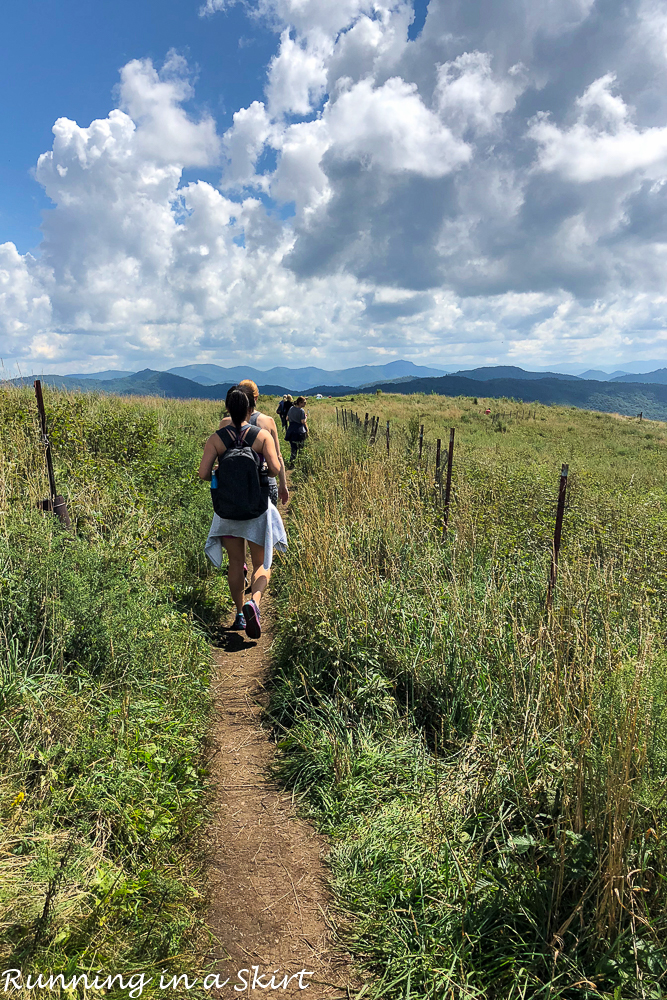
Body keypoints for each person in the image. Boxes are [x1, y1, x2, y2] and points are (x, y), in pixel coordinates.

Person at [199, 386, 287, 637]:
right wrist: (261, 474)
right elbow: (274, 467)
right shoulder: (261, 437)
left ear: (227, 408)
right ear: (251, 409)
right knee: (262, 563)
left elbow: (203, 474)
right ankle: (254, 603)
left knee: (236, 563)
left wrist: (222, 472)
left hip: (226, 511)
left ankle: (239, 614)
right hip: (255, 509)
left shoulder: (216, 438)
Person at [219, 379, 289, 506]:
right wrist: (283, 485)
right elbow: (278, 456)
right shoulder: (268, 421)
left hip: (233, 485)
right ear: (255, 398)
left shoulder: (225, 423)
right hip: (265, 484)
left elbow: (221, 458)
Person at [285, 396, 308, 466]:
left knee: (293, 449)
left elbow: (287, 418)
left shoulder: (291, 408)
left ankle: (292, 463)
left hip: (291, 430)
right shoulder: (301, 411)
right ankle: (300, 463)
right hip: (300, 431)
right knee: (301, 448)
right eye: (304, 403)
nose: (305, 404)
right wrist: (306, 417)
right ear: (300, 403)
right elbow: (302, 421)